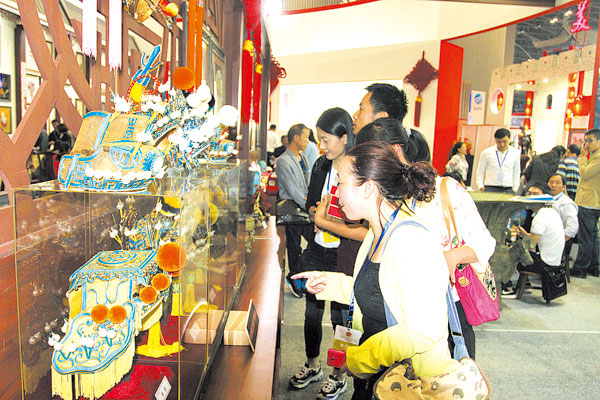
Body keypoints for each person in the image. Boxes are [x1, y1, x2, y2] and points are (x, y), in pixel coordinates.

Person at [293, 142, 458, 400]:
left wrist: (358, 359)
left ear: (368, 187)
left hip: (412, 385)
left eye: (341, 183)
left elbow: (421, 332)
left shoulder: (414, 243)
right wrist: (329, 283)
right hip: (378, 378)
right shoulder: (376, 232)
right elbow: (377, 290)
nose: (336, 193)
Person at [355, 118, 495, 361]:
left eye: (370, 156)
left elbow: (485, 242)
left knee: (445, 379)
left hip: (447, 309)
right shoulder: (382, 194)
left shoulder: (445, 189)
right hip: (397, 311)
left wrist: (449, 257)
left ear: (395, 150)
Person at [288, 108, 356, 399]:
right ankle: (312, 363)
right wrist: (315, 210)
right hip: (318, 248)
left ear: (345, 137)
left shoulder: (357, 168)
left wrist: (330, 220)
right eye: (320, 139)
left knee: (341, 318)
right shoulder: (320, 165)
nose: (322, 146)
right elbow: (310, 202)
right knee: (312, 313)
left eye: (327, 140)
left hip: (344, 253)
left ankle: (338, 374)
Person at [276, 124, 312, 286]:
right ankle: (294, 279)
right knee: (294, 247)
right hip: (292, 210)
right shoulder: (283, 161)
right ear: (296, 138)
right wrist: (309, 206)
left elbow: (307, 184)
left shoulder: (303, 158)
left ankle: (297, 275)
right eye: (306, 137)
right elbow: (293, 189)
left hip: (304, 207)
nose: (307, 141)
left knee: (312, 243)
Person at [516, 186, 565, 301]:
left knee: (514, 252)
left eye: (536, 194)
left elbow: (531, 245)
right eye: (529, 193)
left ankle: (509, 287)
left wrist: (522, 240)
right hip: (556, 262)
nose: (531, 196)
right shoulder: (551, 212)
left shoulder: (540, 218)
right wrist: (526, 235)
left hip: (545, 265)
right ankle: (524, 284)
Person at [570, 129, 600, 278]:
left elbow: (585, 174)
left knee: (585, 237)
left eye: (590, 141)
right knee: (592, 236)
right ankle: (593, 266)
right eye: (585, 141)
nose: (587, 144)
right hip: (592, 201)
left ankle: (580, 268)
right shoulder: (595, 156)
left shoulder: (598, 157)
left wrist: (581, 158)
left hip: (589, 201)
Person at [476, 128, 520, 193]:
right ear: (495, 140)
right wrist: (480, 186)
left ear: (509, 139)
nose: (502, 144)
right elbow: (480, 171)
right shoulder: (486, 153)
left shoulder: (515, 153)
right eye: (499, 142)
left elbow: (516, 171)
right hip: (490, 187)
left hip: (508, 188)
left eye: (505, 141)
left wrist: (515, 188)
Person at [547, 174, 578, 266]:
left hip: (559, 241)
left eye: (557, 183)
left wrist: (558, 240)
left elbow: (573, 228)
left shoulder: (567, 203)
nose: (553, 185)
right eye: (551, 182)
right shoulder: (547, 199)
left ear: (563, 187)